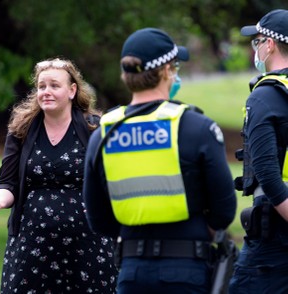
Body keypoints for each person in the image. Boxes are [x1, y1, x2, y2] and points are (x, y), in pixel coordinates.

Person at [82, 28, 237, 293]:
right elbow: (223, 210)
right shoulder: (196, 127)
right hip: (187, 270)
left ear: (125, 75)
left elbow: (98, 219)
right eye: (176, 66)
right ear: (166, 70)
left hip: (131, 273)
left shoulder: (104, 133)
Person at [0, 57, 118, 293]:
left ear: (72, 90)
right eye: (41, 86)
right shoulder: (21, 128)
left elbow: (111, 181)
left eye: (54, 86)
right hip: (32, 244)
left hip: (88, 244)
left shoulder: (95, 128)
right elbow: (8, 182)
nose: (46, 92)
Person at [229, 9, 288, 294]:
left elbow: (267, 173)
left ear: (271, 45)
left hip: (274, 236)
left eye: (258, 41)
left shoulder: (265, 95)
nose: (256, 48)